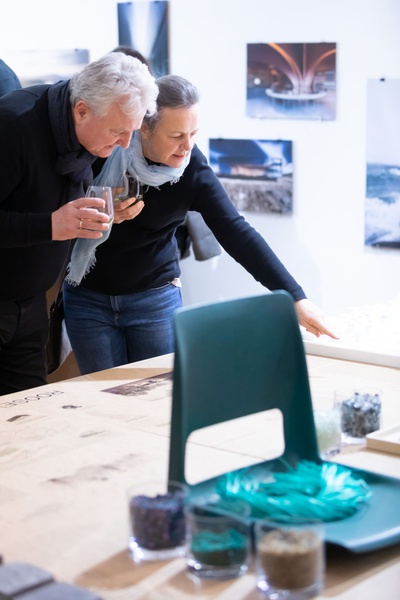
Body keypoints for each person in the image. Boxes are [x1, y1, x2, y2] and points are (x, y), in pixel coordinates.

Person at [63, 75, 338, 375]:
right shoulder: (102, 149)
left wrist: (295, 297)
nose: (187, 146)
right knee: (101, 396)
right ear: (143, 127)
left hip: (154, 301)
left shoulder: (192, 166)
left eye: (193, 133)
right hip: (88, 299)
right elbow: (58, 213)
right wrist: (100, 215)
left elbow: (236, 232)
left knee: (158, 396)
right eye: (176, 135)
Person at [0, 52, 158, 395]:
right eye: (118, 131)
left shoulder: (87, 133)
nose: (125, 144)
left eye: (131, 132)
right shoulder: (13, 126)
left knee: (29, 416)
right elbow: (46, 216)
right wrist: (51, 225)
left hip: (30, 305)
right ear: (82, 110)